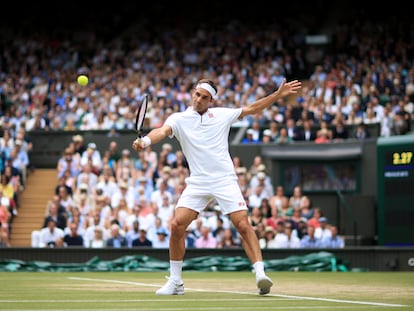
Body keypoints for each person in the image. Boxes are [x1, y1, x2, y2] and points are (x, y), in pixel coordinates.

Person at [132, 77, 301, 295]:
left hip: (224, 179)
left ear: (211, 100)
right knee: (176, 225)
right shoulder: (179, 118)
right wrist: (145, 141)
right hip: (198, 182)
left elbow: (252, 108)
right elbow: (162, 131)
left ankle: (260, 274)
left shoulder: (222, 114)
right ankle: (176, 282)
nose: (198, 99)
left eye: (204, 97)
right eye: (196, 94)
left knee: (242, 224)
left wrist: (277, 95)